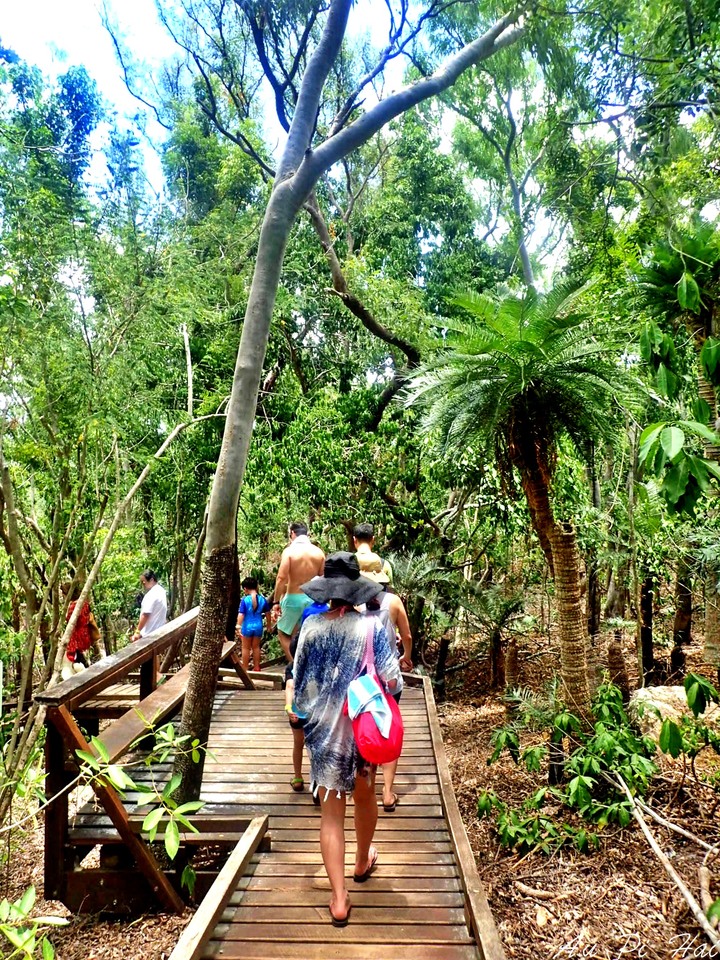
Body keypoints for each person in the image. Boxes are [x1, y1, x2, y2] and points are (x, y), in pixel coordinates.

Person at [292, 552, 402, 927]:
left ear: (326, 592)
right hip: (361, 731)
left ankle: (339, 899)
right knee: (364, 793)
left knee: (331, 815)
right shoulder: (371, 626)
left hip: (323, 731)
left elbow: (300, 681)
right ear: (356, 590)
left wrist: (304, 711)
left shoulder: (311, 628)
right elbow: (392, 678)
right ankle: (361, 861)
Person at [357, 552, 414, 814]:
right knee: (389, 731)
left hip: (362, 681)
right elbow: (407, 635)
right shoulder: (393, 601)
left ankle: (365, 787)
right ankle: (388, 793)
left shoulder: (353, 604)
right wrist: (406, 657)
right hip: (389, 678)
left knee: (366, 731)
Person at [272, 522, 325, 661]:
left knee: (283, 633)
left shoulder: (289, 551)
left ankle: (295, 666)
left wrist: (276, 601)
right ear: (306, 534)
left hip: (293, 598)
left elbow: (281, 577)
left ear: (292, 534)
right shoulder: (318, 552)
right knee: (308, 634)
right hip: (313, 599)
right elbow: (323, 578)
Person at [236, 576, 270, 672]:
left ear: (245, 588)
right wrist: (268, 625)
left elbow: (241, 614)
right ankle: (257, 667)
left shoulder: (245, 600)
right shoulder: (262, 599)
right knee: (256, 647)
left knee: (245, 648)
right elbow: (268, 613)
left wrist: (238, 626)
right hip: (258, 626)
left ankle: (245, 668)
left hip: (247, 626)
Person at [131, 570, 167, 641]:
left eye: (144, 582)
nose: (143, 584)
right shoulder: (161, 591)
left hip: (149, 634)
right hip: (160, 631)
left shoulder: (151, 594)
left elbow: (146, 614)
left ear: (151, 580)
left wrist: (137, 632)